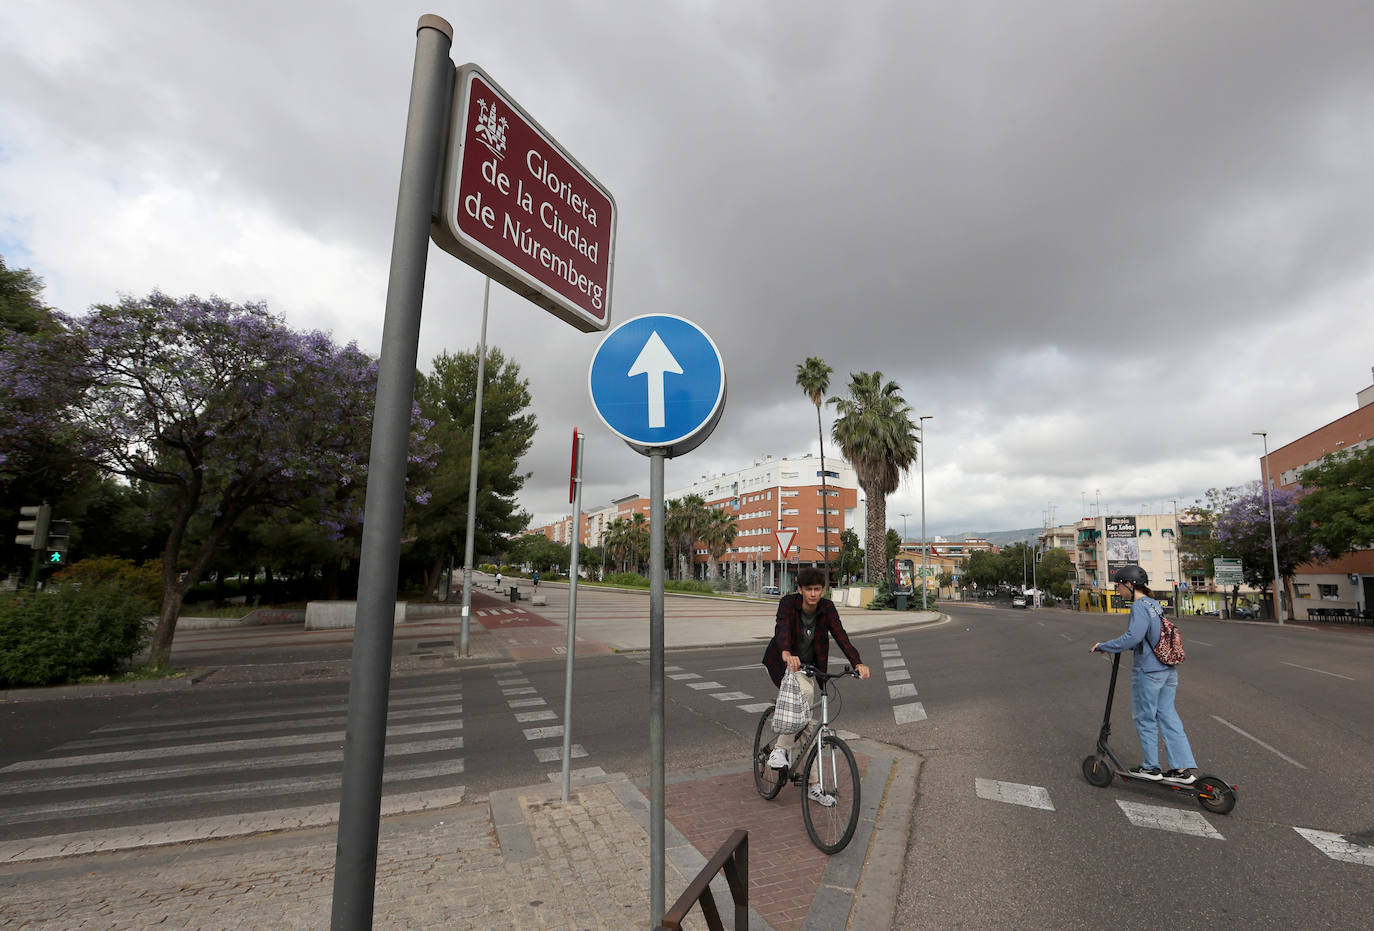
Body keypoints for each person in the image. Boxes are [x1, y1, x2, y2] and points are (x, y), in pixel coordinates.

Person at [761, 567, 871, 803]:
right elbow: (782, 628)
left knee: (809, 728)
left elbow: (841, 635)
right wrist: (786, 652)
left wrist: (857, 662)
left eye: (817, 589)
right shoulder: (789, 604)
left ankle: (814, 785)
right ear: (800, 589)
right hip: (784, 662)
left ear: (823, 590)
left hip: (810, 667)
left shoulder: (826, 608)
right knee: (804, 695)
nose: (813, 594)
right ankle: (780, 749)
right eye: (808, 589)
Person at [1090, 565, 1197, 784]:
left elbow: (1133, 637)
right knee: (1168, 716)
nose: (1117, 590)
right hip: (1167, 669)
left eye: (1118, 585)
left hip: (1149, 671)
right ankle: (1181, 769)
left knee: (1144, 717)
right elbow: (1150, 636)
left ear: (1130, 585)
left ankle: (1151, 768)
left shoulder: (1139, 606)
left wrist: (1106, 645)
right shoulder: (1154, 605)